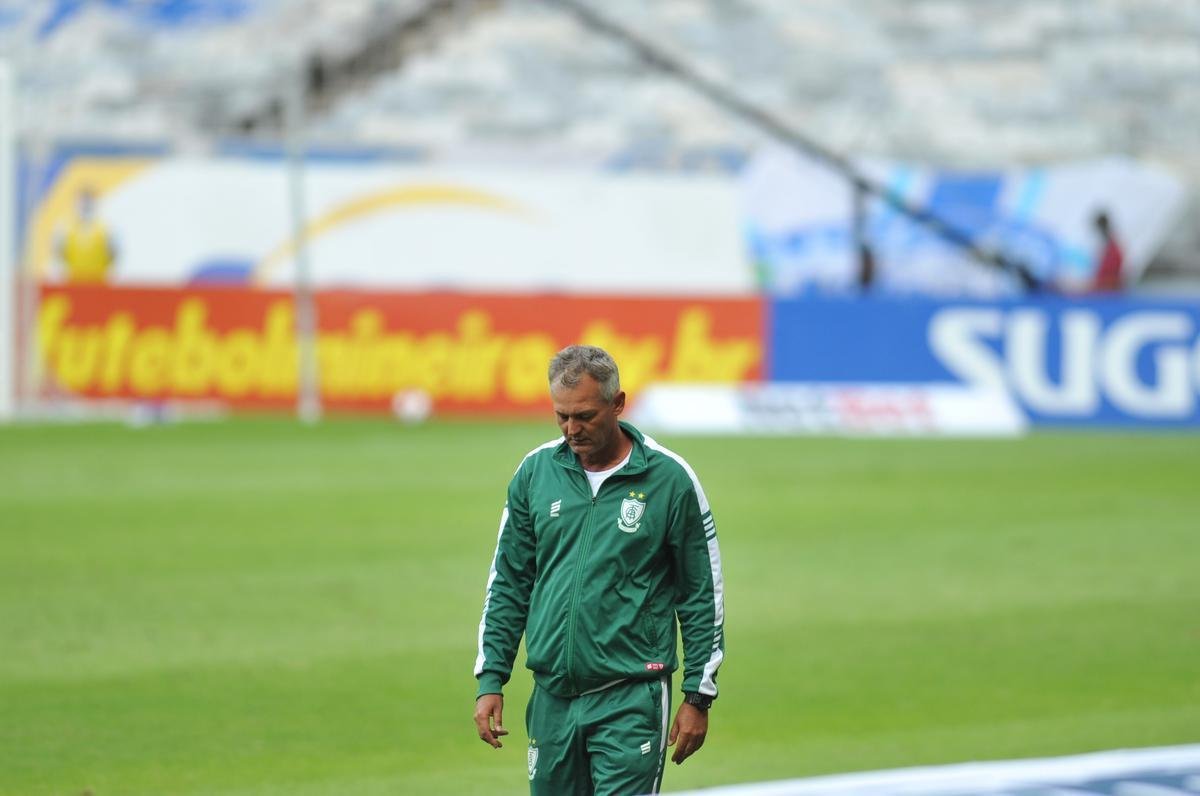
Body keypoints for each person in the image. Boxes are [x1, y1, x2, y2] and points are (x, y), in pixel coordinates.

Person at [474, 344, 725, 795]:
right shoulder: (535, 473)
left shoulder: (670, 480)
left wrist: (697, 695)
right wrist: (491, 676)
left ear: (618, 404)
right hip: (552, 697)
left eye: (585, 416)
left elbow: (701, 592)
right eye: (562, 416)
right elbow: (509, 582)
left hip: (631, 696)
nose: (572, 429)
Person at [57, 187, 118, 284]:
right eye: (83, 201)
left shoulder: (106, 230)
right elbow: (61, 255)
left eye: (88, 201)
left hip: (99, 285)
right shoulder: (66, 229)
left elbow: (113, 255)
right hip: (74, 284)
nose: (85, 205)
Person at [1090, 210, 1124, 293]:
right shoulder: (1107, 246)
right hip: (1103, 289)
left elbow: (1113, 278)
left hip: (1108, 291)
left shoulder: (1113, 249)